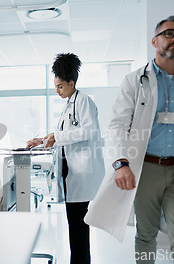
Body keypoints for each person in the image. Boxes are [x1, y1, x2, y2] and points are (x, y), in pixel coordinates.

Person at [84, 15, 174, 264]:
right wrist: (120, 163)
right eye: (169, 33)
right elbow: (117, 126)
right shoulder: (135, 81)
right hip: (145, 169)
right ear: (155, 41)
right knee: (146, 234)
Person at [27, 53, 105, 264]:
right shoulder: (69, 104)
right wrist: (41, 140)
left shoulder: (84, 101)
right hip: (72, 172)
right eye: (56, 86)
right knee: (76, 227)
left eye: (60, 86)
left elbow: (89, 131)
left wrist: (56, 137)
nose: (57, 90)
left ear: (71, 83)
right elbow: (62, 135)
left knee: (78, 228)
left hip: (82, 174)